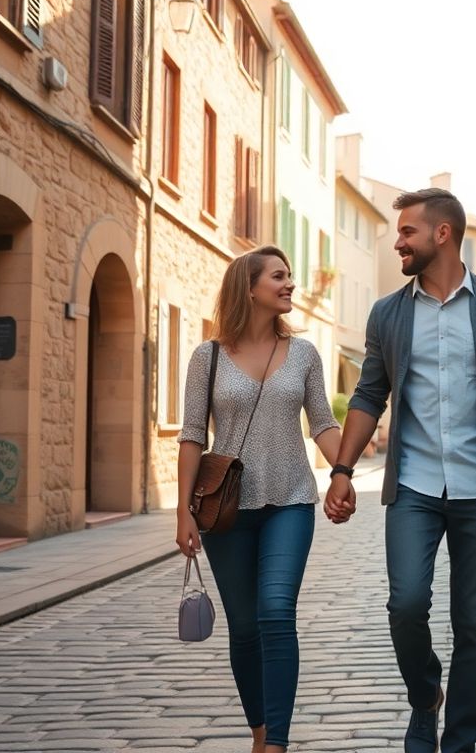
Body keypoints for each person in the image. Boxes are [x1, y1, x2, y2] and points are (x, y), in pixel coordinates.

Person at [323, 188, 476, 753]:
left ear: (442, 234)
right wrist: (342, 470)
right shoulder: (389, 314)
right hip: (414, 487)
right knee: (405, 604)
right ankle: (425, 694)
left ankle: (461, 742)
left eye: (407, 232)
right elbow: (369, 394)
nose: (397, 241)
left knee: (474, 623)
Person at [175, 246, 350, 753]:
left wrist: (343, 472)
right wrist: (183, 511)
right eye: (279, 276)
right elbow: (191, 436)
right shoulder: (206, 357)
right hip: (224, 510)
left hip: (290, 499)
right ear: (249, 288)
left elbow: (322, 423)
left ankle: (277, 742)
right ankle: (259, 730)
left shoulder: (305, 354)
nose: (290, 283)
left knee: (276, 612)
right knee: (245, 628)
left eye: (290, 275)